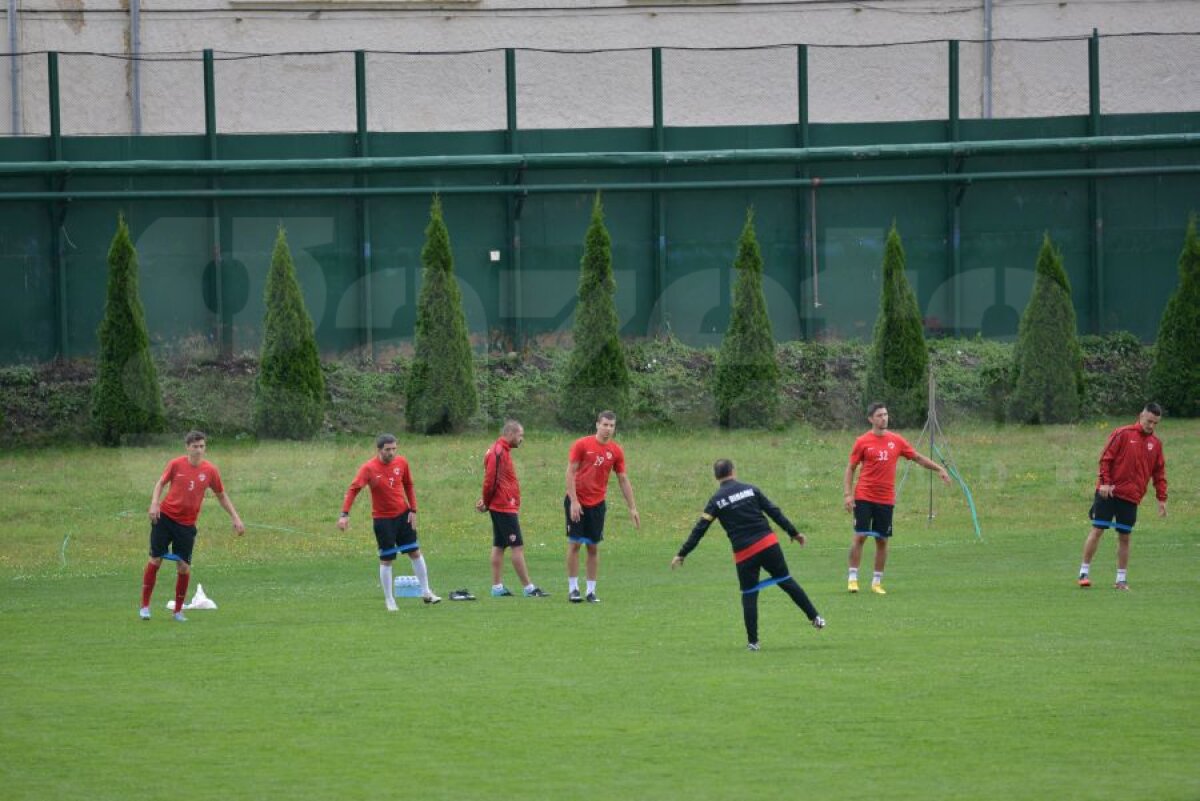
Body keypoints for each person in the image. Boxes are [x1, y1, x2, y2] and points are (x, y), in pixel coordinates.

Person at [671, 459, 824, 651]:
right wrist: (793, 533)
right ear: (734, 471)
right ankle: (815, 617)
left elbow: (699, 529)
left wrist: (682, 553)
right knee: (785, 579)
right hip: (768, 544)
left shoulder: (716, 500)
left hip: (745, 553)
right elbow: (773, 511)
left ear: (716, 477)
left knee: (750, 593)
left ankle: (753, 642)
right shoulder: (751, 489)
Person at [843, 402, 950, 594]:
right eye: (879, 415)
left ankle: (877, 582)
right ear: (871, 419)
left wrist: (939, 469)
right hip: (864, 495)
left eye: (885, 414)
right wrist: (848, 494)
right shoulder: (862, 441)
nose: (883, 418)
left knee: (882, 540)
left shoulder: (897, 440)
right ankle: (852, 579)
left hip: (885, 499)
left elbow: (917, 457)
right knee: (860, 536)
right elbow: (850, 468)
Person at [141, 430, 245, 621]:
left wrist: (235, 518)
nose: (198, 450)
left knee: (183, 567)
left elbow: (221, 495)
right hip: (165, 518)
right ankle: (145, 607)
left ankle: (178, 611)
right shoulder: (176, 464)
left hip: (187, 525)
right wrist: (154, 503)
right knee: (155, 561)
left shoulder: (210, 471)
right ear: (187, 447)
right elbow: (160, 483)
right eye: (195, 446)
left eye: (202, 446)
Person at [338, 433, 441, 610]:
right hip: (383, 519)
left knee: (415, 552)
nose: (391, 453)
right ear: (379, 450)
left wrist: (413, 510)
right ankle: (390, 600)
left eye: (394, 449)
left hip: (403, 515)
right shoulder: (368, 468)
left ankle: (426, 592)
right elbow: (354, 489)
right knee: (387, 559)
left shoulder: (402, 463)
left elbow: (409, 485)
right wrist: (344, 514)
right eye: (388, 450)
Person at [1077, 403, 1168, 590]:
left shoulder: (1156, 445)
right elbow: (1105, 459)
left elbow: (1159, 473)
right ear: (1140, 416)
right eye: (1149, 421)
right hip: (1108, 492)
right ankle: (1084, 572)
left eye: (1155, 423)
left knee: (1125, 536)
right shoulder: (1122, 434)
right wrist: (1104, 482)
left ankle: (1121, 580)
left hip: (1131, 497)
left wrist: (1162, 499)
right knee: (1098, 530)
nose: (1151, 425)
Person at [564, 410, 640, 603]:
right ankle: (573, 589)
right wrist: (573, 500)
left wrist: (632, 508)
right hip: (577, 501)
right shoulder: (582, 444)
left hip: (597, 504)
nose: (608, 429)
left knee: (592, 547)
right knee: (574, 544)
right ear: (597, 424)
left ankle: (590, 591)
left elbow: (623, 479)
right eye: (604, 424)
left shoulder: (615, 451)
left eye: (611, 426)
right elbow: (570, 472)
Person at [475, 419, 549, 598]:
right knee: (517, 546)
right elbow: (490, 481)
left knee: (499, 545)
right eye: (520, 435)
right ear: (510, 434)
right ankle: (529, 588)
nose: (522, 439)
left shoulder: (502, 451)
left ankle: (497, 588)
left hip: (503, 504)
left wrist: (488, 501)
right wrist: (486, 501)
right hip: (503, 506)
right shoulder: (498, 452)